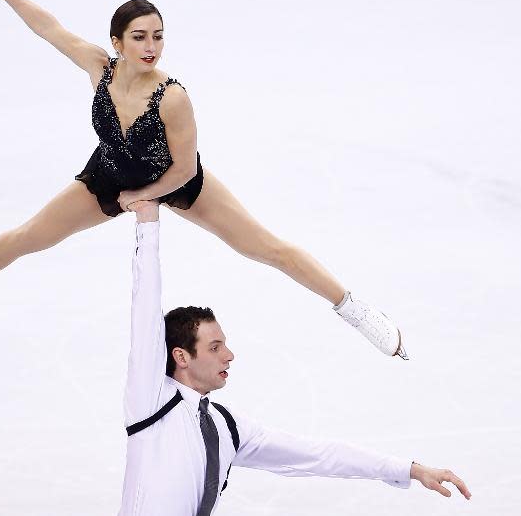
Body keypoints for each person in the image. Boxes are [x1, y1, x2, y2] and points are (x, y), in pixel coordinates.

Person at [0, 0, 406, 358]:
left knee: (266, 248)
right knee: (27, 238)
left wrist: (144, 196)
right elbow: (50, 27)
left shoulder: (172, 95)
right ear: (116, 43)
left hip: (177, 182)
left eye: (158, 36)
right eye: (140, 37)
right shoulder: (98, 68)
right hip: (108, 175)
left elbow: (181, 167)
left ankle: (354, 308)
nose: (151, 45)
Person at [120, 200, 469, 515]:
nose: (229, 355)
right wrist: (147, 221)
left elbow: (318, 456)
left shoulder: (227, 428)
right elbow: (145, 307)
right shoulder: (152, 400)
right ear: (180, 356)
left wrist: (409, 469)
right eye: (215, 347)